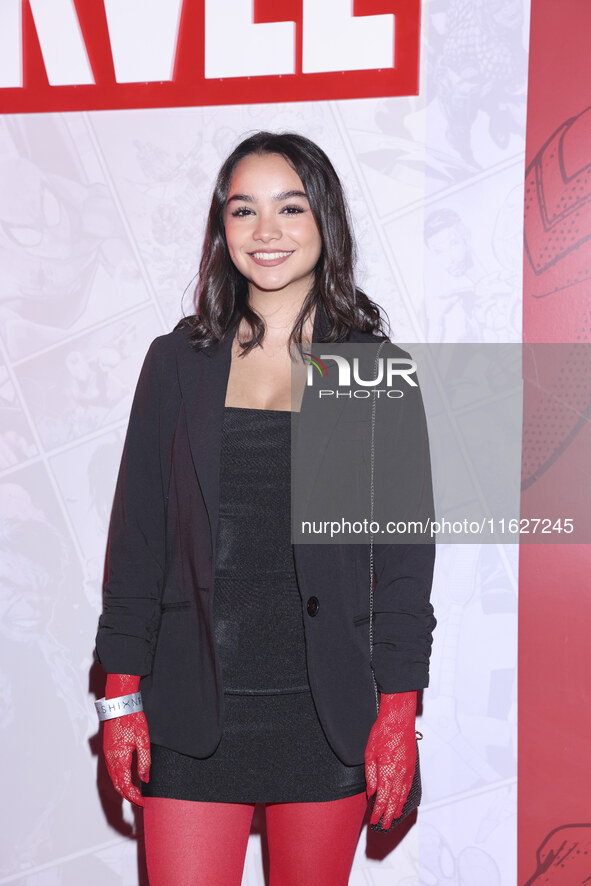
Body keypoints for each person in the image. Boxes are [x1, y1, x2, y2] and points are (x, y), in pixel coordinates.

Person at [94, 131, 436, 886]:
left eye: (289, 207)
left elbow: (404, 572)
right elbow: (138, 542)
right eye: (243, 210)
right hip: (191, 713)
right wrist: (120, 698)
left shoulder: (374, 372)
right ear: (222, 230)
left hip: (324, 717)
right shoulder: (175, 363)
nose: (266, 231)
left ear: (325, 223)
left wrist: (397, 714)